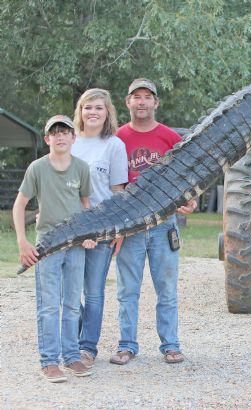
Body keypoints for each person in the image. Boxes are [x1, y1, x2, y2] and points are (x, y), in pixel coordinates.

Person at [110, 78, 197, 366]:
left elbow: (190, 170)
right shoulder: (118, 138)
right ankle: (126, 345)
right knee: (127, 291)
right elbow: (113, 182)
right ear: (128, 103)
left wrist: (191, 197)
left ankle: (171, 346)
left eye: (148, 97)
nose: (143, 102)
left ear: (156, 103)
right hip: (131, 225)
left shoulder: (170, 137)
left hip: (164, 224)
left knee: (167, 289)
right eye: (137, 97)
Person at [13, 115, 96, 382]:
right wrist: (23, 241)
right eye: (55, 132)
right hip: (48, 246)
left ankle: (71, 356)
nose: (60, 136)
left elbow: (85, 205)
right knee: (49, 306)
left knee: (72, 304)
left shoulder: (82, 168)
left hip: (75, 245)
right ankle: (49, 361)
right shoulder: (37, 168)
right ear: (47, 139)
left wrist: (88, 234)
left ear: (73, 138)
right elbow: (19, 205)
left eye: (65, 132)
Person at [72, 89, 128, 368]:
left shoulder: (114, 145)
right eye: (87, 107)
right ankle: (71, 337)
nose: (93, 112)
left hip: (102, 227)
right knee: (65, 289)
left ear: (108, 113)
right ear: (80, 111)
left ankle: (87, 347)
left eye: (99, 108)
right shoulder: (69, 141)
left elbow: (118, 190)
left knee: (93, 291)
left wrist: (119, 229)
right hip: (70, 227)